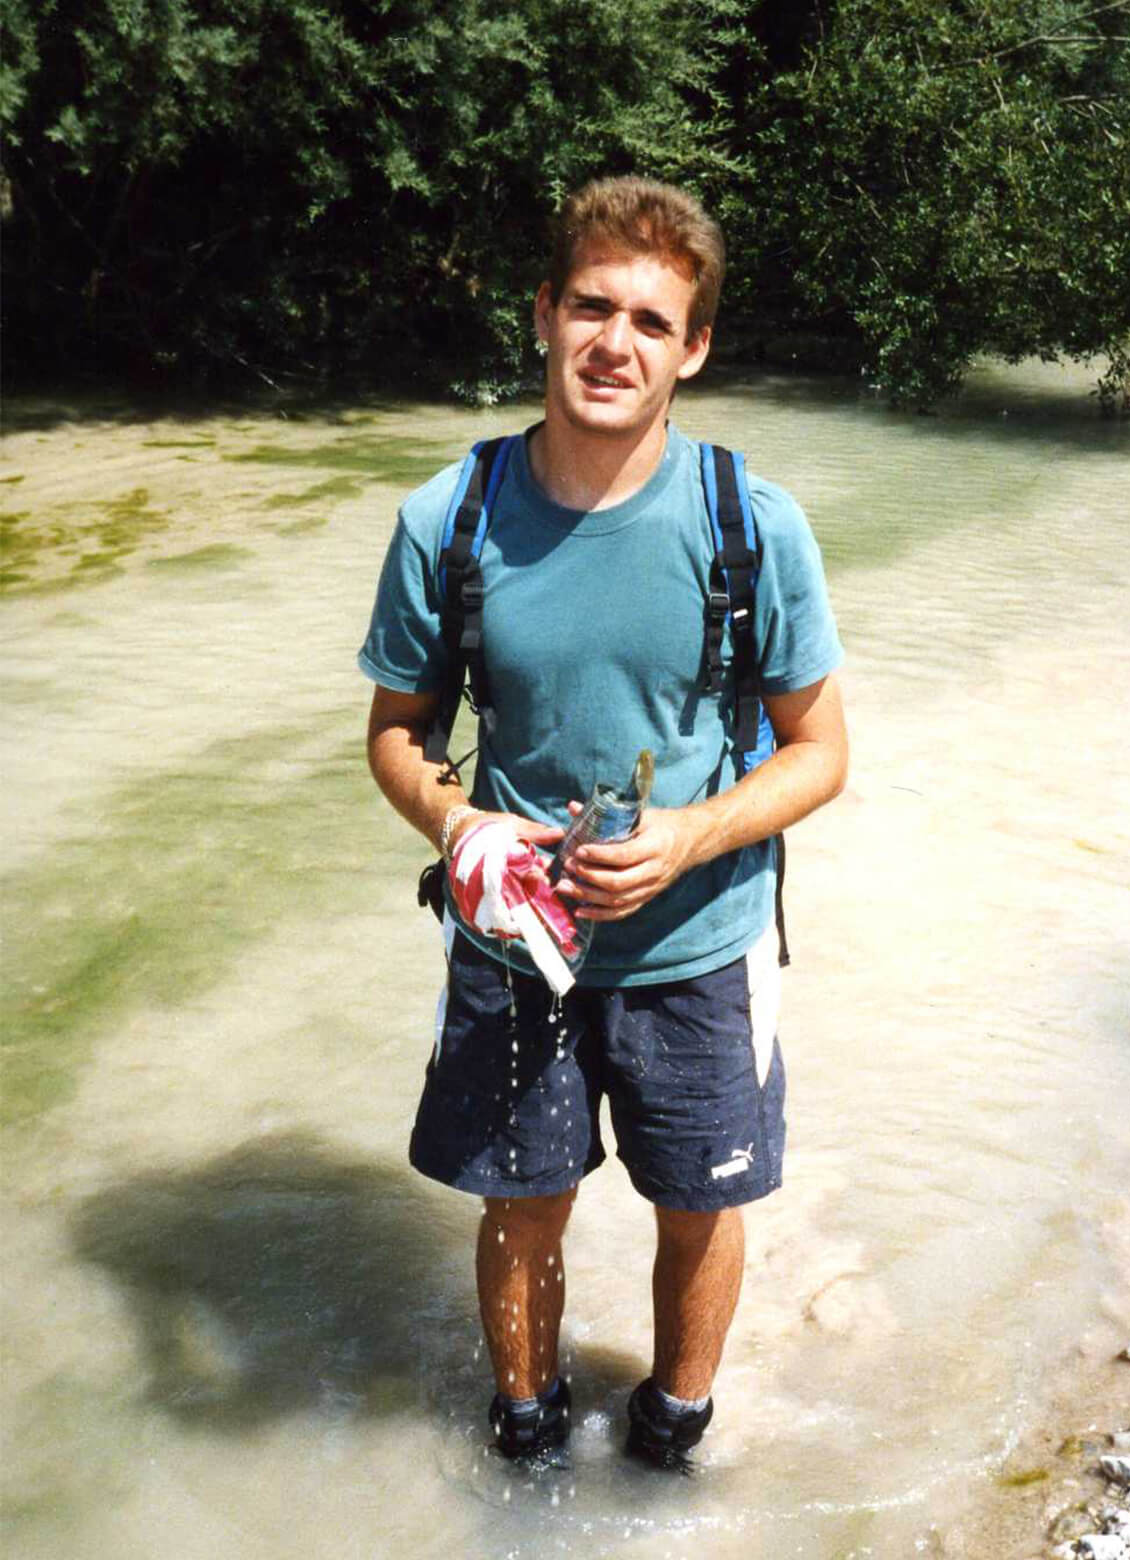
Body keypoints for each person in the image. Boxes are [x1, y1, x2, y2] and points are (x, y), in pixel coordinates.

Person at [360, 175, 847, 1471]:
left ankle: (671, 1439)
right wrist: (457, 827)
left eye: (648, 320)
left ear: (691, 348)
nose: (611, 344)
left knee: (699, 1207)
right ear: (541, 314)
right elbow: (396, 736)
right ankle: (520, 1437)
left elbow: (821, 753)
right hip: (515, 953)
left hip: (702, 951)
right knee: (520, 1208)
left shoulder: (752, 522)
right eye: (590, 306)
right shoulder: (448, 520)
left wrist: (685, 837)